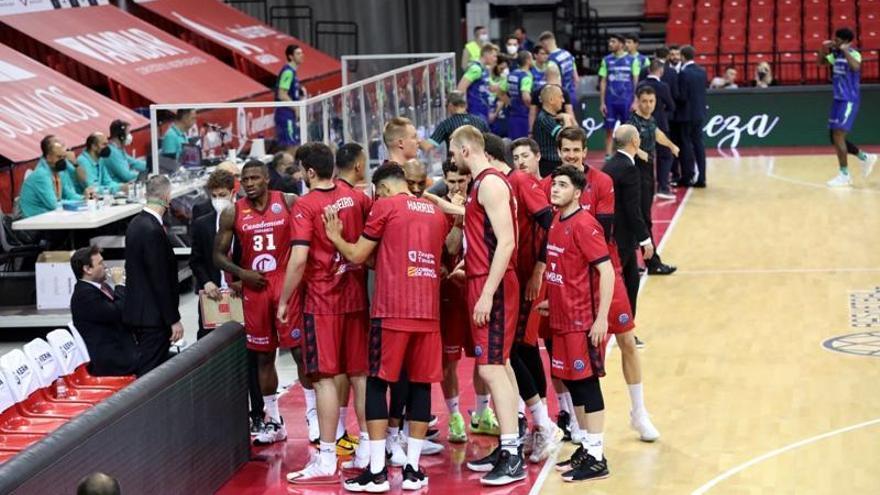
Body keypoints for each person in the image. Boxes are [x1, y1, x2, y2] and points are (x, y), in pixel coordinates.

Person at [328, 163, 450, 492]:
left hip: (393, 311)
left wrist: (336, 237)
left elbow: (357, 253)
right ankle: (412, 469)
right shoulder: (435, 212)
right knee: (421, 386)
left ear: (382, 189)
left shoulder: (385, 206)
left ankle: (378, 471)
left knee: (378, 383)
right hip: (429, 312)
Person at [550, 128, 660, 443]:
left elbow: (602, 229)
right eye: (566, 150)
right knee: (576, 356)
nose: (571, 155)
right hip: (572, 285)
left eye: (576, 150)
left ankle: (639, 413)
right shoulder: (555, 185)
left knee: (626, 341)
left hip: (604, 272)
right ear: (559, 152)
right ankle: (580, 425)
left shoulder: (601, 182)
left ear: (586, 151)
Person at [278, 144, 370, 484]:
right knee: (360, 376)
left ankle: (327, 457)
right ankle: (367, 449)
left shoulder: (305, 205)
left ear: (309, 172)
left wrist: (285, 299)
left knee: (325, 380)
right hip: (357, 298)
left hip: (323, 303)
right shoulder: (356, 198)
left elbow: (299, 259)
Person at [446, 126, 524, 485]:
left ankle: (511, 453)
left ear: (464, 150)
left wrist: (487, 291)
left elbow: (507, 242)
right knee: (499, 363)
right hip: (483, 278)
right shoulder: (482, 183)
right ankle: (512, 442)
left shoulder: (490, 183)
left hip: (492, 284)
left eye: (451, 151)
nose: (450, 158)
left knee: (491, 367)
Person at [482, 134, 562, 464]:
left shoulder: (517, 180)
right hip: (516, 276)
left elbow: (550, 221)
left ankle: (544, 424)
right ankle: (532, 425)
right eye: (515, 156)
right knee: (517, 352)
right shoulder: (503, 181)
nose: (520, 161)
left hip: (525, 278)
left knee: (516, 350)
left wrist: (541, 269)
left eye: (524, 155)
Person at [536, 164, 614, 482]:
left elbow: (606, 272)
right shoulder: (557, 220)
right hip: (561, 317)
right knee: (573, 383)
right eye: (554, 184)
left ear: (577, 192)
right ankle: (585, 445)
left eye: (563, 185)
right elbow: (562, 271)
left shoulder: (585, 224)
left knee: (586, 383)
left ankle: (597, 456)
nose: (555, 189)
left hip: (582, 321)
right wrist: (551, 301)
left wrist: (601, 319)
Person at [213, 160, 300, 446]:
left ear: (266, 179)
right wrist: (241, 273)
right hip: (255, 284)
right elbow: (219, 255)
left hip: (285, 282)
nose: (248, 183)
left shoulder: (287, 201)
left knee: (300, 352)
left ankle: (313, 417)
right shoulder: (232, 212)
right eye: (244, 179)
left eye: (254, 178)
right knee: (264, 356)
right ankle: (273, 420)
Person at [122, 175, 183, 376]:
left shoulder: (136, 223)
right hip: (152, 318)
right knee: (150, 375)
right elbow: (159, 280)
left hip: (141, 314)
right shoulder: (152, 230)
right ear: (167, 197)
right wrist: (172, 319)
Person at [602, 125, 655, 323]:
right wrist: (645, 240)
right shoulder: (628, 169)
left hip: (613, 233)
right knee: (616, 283)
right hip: (621, 237)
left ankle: (628, 326)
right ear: (634, 141)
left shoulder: (611, 164)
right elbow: (633, 210)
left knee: (632, 280)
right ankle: (619, 326)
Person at [629, 86, 679, 276]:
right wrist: (638, 151)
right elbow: (621, 138)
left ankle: (636, 264)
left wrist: (672, 145)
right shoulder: (632, 122)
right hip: (636, 172)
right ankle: (652, 263)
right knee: (642, 219)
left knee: (641, 218)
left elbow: (657, 134)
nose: (648, 105)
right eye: (644, 101)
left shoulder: (650, 120)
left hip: (648, 171)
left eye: (651, 101)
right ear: (637, 101)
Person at [819, 27, 877, 187]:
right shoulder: (835, 54)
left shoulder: (854, 53)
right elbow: (821, 63)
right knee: (834, 136)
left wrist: (845, 51)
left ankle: (844, 174)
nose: (834, 41)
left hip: (849, 100)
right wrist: (822, 49)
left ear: (845, 42)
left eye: (837, 40)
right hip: (838, 99)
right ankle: (865, 157)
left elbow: (856, 67)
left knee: (838, 135)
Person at [69, 246, 138, 377]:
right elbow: (117, 312)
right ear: (87, 269)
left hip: (125, 348)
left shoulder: (101, 287)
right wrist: (120, 285)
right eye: (100, 263)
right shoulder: (84, 295)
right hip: (114, 360)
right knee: (164, 364)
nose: (105, 266)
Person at [639, 59, 677, 199]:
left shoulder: (640, 85)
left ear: (649, 70)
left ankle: (645, 188)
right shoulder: (663, 86)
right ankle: (663, 187)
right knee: (665, 156)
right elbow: (672, 106)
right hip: (660, 124)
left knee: (644, 157)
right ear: (661, 71)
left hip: (641, 125)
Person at [19, 135, 84, 218]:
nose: (63, 161)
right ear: (48, 158)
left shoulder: (58, 171)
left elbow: (69, 195)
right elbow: (54, 204)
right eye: (59, 157)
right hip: (34, 221)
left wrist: (85, 198)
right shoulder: (41, 175)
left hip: (50, 218)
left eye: (64, 157)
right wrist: (76, 203)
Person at [599, 34, 641, 157]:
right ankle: (608, 155)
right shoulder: (606, 60)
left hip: (627, 101)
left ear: (621, 44)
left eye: (613, 41)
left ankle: (628, 155)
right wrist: (602, 102)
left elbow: (636, 82)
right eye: (609, 41)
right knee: (609, 130)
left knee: (628, 130)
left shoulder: (633, 60)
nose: (610, 44)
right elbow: (603, 81)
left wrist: (635, 101)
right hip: (610, 101)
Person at [676, 45, 708, 187]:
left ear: (683, 56)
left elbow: (682, 96)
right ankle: (702, 177)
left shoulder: (684, 73)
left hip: (686, 115)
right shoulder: (702, 71)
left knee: (687, 145)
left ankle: (688, 176)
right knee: (699, 145)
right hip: (699, 113)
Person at [420, 91, 490, 154]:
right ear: (465, 106)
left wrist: (415, 137)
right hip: (477, 165)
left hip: (456, 166)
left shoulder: (446, 124)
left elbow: (427, 146)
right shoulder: (480, 122)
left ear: (450, 106)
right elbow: (490, 144)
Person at [532, 85, 576, 177]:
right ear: (551, 100)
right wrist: (567, 119)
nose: (563, 100)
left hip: (556, 163)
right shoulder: (543, 119)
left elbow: (576, 133)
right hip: (549, 165)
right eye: (560, 97)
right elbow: (566, 138)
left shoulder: (554, 117)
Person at [457, 43, 499, 124]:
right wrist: (463, 109)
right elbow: (461, 87)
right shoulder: (476, 69)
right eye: (494, 56)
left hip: (483, 111)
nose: (495, 59)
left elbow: (491, 87)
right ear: (486, 54)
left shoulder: (485, 69)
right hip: (475, 112)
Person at [528, 63, 575, 132]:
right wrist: (575, 130)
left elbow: (532, 114)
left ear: (545, 76)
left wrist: (531, 131)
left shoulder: (537, 92)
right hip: (561, 127)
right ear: (559, 76)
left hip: (542, 127)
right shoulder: (563, 92)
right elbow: (570, 113)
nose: (562, 100)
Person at [275, 44, 305, 150]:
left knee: (295, 145)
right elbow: (282, 94)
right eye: (298, 53)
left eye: (302, 53)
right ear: (290, 56)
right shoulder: (288, 72)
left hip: (290, 114)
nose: (302, 55)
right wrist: (296, 108)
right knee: (291, 147)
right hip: (285, 114)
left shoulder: (293, 72)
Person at [539, 31, 579, 105]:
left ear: (545, 44)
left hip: (561, 99)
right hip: (572, 96)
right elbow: (576, 78)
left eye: (542, 46)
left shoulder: (552, 61)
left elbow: (555, 84)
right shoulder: (568, 54)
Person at [104, 120, 146, 184]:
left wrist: (153, 165)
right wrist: (146, 175)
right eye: (128, 133)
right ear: (121, 136)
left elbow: (134, 163)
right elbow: (126, 175)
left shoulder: (119, 150)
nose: (130, 136)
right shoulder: (111, 152)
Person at [504, 51, 534, 139]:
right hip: (524, 116)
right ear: (528, 60)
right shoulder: (526, 77)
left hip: (512, 115)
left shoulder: (511, 74)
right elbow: (526, 97)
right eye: (531, 58)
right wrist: (532, 108)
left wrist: (510, 102)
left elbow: (500, 91)